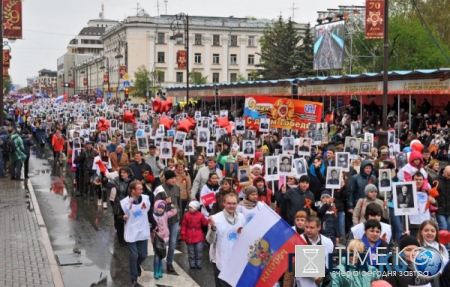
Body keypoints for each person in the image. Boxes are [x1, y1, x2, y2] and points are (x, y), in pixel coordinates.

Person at [119, 181, 157, 287]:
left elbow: (149, 213)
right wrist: (122, 218)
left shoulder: (145, 199)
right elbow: (117, 216)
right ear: (133, 191)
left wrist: (154, 224)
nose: (142, 190)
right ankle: (133, 279)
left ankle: (135, 266)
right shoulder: (124, 202)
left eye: (142, 188)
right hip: (131, 232)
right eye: (139, 189)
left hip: (143, 231)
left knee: (143, 255)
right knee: (133, 255)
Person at [206, 193, 245, 287]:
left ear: (237, 204)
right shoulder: (215, 218)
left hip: (235, 259)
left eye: (234, 203)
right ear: (224, 203)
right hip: (219, 259)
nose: (231, 206)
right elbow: (209, 240)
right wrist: (213, 228)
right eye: (229, 203)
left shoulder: (242, 217)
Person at [154, 170, 181, 273]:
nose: (174, 180)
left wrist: (180, 218)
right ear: (166, 178)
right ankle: (159, 262)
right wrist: (165, 202)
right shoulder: (159, 189)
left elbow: (178, 205)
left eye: (175, 178)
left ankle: (169, 263)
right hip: (163, 220)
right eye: (171, 178)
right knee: (162, 243)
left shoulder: (177, 188)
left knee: (173, 243)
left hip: (175, 219)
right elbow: (156, 204)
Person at [296, 216, 334, 287]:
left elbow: (328, 263)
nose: (308, 230)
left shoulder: (328, 242)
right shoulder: (298, 240)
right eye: (306, 227)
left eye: (311, 227)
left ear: (319, 227)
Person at [152, 199, 177, 280]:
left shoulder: (165, 215)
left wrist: (170, 203)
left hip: (165, 238)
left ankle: (160, 270)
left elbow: (174, 211)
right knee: (157, 255)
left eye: (162, 208)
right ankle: (156, 271)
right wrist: (152, 229)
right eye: (159, 207)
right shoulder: (153, 216)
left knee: (162, 255)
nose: (160, 209)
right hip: (156, 239)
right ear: (156, 207)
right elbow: (149, 225)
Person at [180, 201, 208, 269]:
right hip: (189, 235)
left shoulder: (200, 215)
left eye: (191, 208)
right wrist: (183, 233)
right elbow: (183, 225)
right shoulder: (186, 215)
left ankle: (199, 264)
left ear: (196, 208)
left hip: (198, 235)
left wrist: (209, 221)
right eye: (189, 207)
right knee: (191, 251)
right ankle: (192, 264)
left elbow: (205, 223)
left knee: (199, 250)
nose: (190, 209)